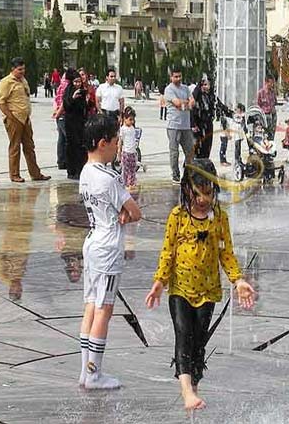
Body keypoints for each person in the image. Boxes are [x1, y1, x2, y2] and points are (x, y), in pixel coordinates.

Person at [145, 158, 256, 412]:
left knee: (199, 341)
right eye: (198, 193)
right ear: (186, 189)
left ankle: (194, 386)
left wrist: (238, 280)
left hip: (208, 291)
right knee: (183, 334)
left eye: (208, 193)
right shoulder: (177, 216)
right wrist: (159, 282)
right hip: (180, 289)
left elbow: (226, 253)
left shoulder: (219, 218)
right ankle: (186, 390)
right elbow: (168, 251)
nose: (204, 199)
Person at [77, 115, 142, 390]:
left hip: (92, 243)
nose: (118, 147)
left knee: (91, 306)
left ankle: (84, 370)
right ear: (103, 143)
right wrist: (125, 215)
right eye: (116, 142)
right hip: (107, 248)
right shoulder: (109, 178)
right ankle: (94, 374)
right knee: (104, 310)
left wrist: (121, 214)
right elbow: (135, 212)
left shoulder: (85, 172)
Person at [0, 57, 51, 183]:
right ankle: (14, 174)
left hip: (25, 119)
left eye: (23, 69)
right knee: (15, 147)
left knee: (29, 146)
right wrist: (10, 117)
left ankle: (35, 174)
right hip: (14, 119)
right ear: (13, 69)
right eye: (19, 69)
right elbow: (1, 102)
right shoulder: (6, 82)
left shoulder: (23, 80)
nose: (22, 72)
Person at [164, 66, 196, 183]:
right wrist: (186, 104)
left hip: (186, 125)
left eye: (180, 76)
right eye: (175, 77)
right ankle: (175, 174)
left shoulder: (186, 88)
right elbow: (177, 103)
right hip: (174, 125)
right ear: (171, 77)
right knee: (174, 151)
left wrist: (185, 104)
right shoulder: (169, 89)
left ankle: (189, 173)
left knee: (190, 150)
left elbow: (192, 103)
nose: (178, 78)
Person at [62, 69, 88, 180]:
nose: (78, 84)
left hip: (80, 122)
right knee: (71, 145)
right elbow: (66, 106)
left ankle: (80, 170)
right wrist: (73, 98)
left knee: (80, 146)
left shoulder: (82, 91)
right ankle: (71, 171)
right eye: (75, 82)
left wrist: (86, 100)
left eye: (79, 82)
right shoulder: (68, 91)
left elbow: (83, 108)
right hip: (70, 122)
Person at [191, 75, 217, 159]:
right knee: (196, 148)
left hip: (208, 125)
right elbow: (190, 111)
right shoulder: (196, 96)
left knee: (207, 147)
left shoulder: (211, 96)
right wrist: (193, 124)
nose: (206, 87)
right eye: (204, 85)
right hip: (198, 125)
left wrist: (232, 114)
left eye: (208, 85)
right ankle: (191, 167)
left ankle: (204, 165)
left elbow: (220, 106)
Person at [118, 106, 139, 192]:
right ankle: (126, 184)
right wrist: (119, 152)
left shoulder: (132, 128)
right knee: (126, 170)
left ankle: (131, 183)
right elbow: (120, 141)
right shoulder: (123, 129)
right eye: (130, 119)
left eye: (133, 120)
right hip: (126, 152)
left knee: (132, 169)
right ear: (124, 119)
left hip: (132, 152)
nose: (132, 122)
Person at [53, 71, 70, 171]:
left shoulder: (60, 86)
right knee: (68, 138)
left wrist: (56, 112)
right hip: (63, 114)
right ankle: (67, 161)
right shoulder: (67, 86)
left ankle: (61, 161)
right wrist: (58, 113)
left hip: (59, 114)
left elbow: (55, 100)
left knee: (61, 139)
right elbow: (64, 102)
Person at [256, 74, 278, 141]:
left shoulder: (273, 92)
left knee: (272, 133)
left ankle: (271, 146)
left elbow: (275, 102)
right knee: (265, 133)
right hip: (265, 115)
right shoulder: (261, 93)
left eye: (273, 83)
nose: (272, 84)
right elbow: (258, 104)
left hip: (273, 115)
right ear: (266, 82)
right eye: (271, 83)